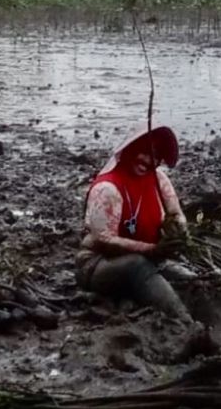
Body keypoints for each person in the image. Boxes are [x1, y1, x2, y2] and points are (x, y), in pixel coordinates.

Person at [76, 126, 192, 320]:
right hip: (98, 264)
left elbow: (176, 213)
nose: (148, 161)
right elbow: (105, 240)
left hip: (151, 259)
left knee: (190, 280)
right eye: (144, 151)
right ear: (130, 149)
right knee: (136, 266)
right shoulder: (108, 189)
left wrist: (179, 231)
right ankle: (184, 320)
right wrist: (151, 250)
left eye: (156, 155)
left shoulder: (158, 180)